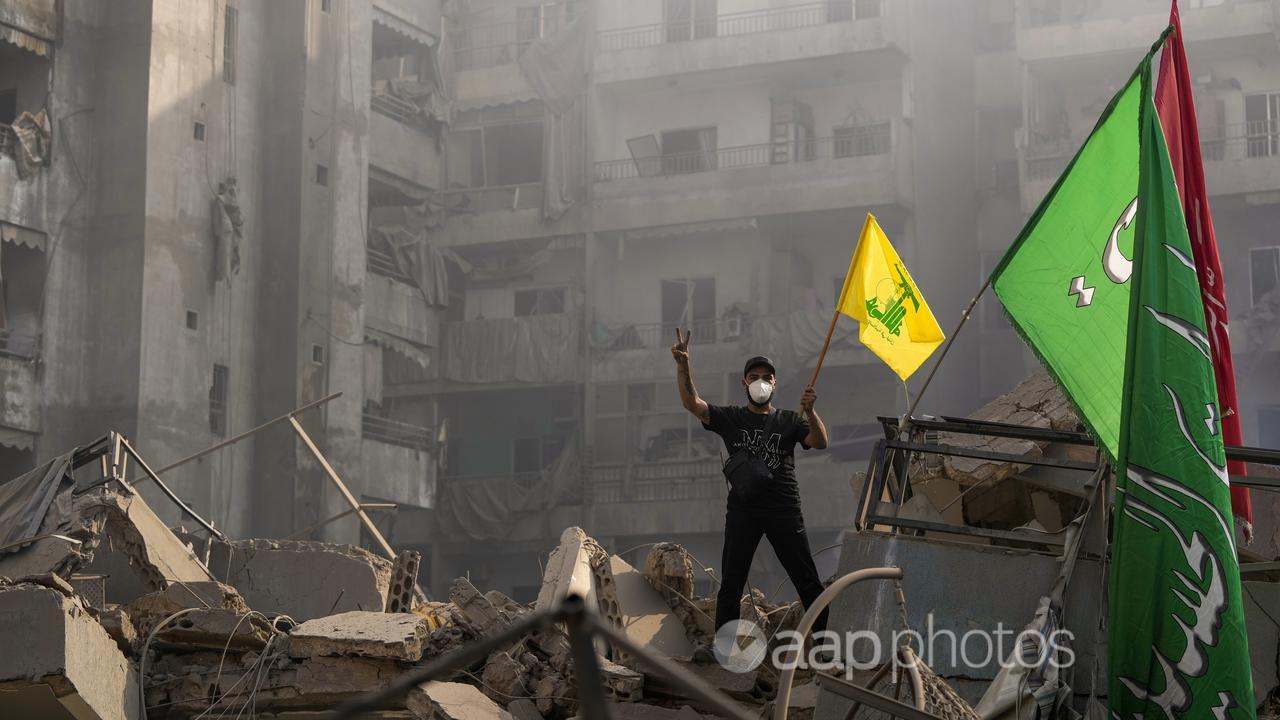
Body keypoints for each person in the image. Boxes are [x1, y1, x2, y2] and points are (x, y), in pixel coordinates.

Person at [670, 327, 830, 636]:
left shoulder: (789, 420)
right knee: (731, 582)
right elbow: (693, 404)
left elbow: (820, 441)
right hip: (744, 510)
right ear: (745, 383)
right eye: (754, 376)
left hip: (784, 509)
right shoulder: (731, 417)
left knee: (807, 580)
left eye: (767, 377)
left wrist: (810, 411)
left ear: (775, 383)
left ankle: (825, 645)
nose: (761, 382)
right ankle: (725, 647)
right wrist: (682, 365)